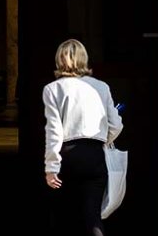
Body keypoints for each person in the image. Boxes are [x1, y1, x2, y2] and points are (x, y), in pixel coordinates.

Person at [42, 39, 123, 236]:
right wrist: (102, 139)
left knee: (64, 216)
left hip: (67, 157)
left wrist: (51, 167)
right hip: (95, 155)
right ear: (84, 59)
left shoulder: (52, 89)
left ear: (59, 60)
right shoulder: (101, 87)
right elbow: (116, 125)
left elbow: (54, 131)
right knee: (92, 217)